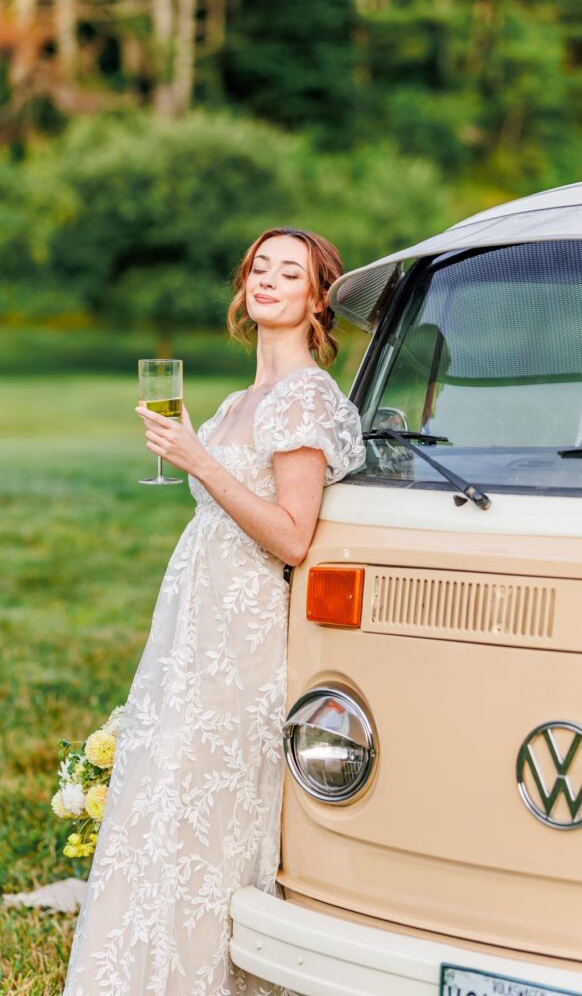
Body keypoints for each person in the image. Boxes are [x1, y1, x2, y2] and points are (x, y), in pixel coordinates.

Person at [62, 227, 366, 996]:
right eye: (257, 267)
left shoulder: (304, 397)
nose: (266, 279)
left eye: (288, 271)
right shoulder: (239, 400)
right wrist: (197, 452)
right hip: (192, 632)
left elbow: (293, 537)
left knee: (209, 812)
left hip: (245, 640)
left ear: (316, 298)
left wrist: (197, 459)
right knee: (164, 796)